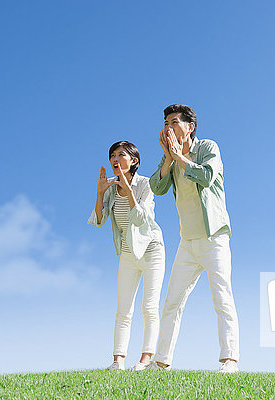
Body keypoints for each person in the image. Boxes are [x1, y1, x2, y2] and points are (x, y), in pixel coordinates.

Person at [145, 104, 240, 373]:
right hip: (187, 243)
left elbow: (207, 176)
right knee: (172, 302)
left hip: (214, 238)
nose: (169, 127)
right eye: (166, 122)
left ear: (190, 126)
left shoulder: (208, 147)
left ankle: (229, 359)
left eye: (175, 122)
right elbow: (157, 187)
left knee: (222, 297)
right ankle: (161, 360)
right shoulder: (171, 158)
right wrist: (168, 157)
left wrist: (180, 157)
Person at [87, 141, 165, 371]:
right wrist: (100, 192)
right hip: (128, 252)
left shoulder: (146, 184)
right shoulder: (111, 188)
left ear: (134, 161)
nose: (115, 159)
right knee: (123, 310)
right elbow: (99, 220)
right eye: (112, 155)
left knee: (149, 308)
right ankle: (117, 360)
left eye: (121, 154)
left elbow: (141, 218)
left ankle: (144, 360)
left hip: (151, 250)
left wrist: (128, 189)